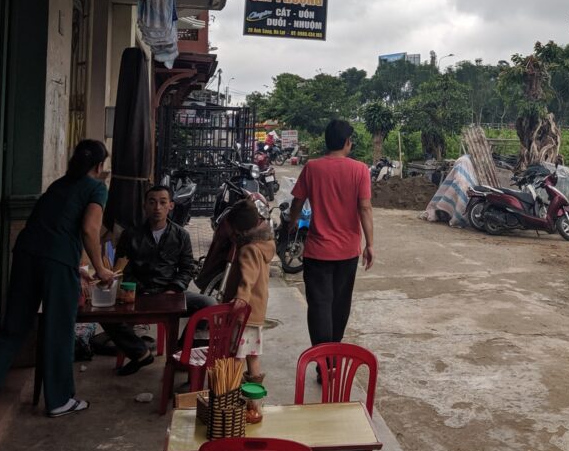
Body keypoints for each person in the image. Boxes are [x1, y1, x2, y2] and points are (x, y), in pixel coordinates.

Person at [0, 140, 115, 417]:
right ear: (99, 166)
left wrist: (76, 267)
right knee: (59, 329)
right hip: (57, 262)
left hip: (26, 255)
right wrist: (100, 269)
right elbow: (89, 229)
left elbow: (52, 225)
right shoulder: (96, 187)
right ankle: (59, 400)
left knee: (13, 326)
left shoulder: (58, 185)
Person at [289, 120, 373, 380]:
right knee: (339, 305)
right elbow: (365, 208)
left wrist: (291, 225)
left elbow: (297, 202)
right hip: (347, 252)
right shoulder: (360, 169)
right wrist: (370, 244)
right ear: (347, 142)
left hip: (317, 251)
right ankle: (332, 360)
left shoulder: (312, 168)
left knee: (319, 306)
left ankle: (323, 363)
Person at [103, 185, 215, 375]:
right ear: (145, 206)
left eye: (163, 202)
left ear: (171, 205)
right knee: (104, 312)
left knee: (209, 304)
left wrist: (174, 289)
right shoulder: (130, 235)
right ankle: (140, 352)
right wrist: (138, 289)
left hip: (170, 293)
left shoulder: (180, 235)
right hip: (139, 293)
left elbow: (187, 268)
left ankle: (181, 351)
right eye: (152, 202)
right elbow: (122, 269)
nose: (157, 207)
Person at [221, 199, 276, 384]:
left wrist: (241, 298)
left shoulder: (248, 249)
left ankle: (231, 390)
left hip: (244, 315)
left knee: (237, 356)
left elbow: (248, 278)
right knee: (252, 355)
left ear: (238, 229)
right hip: (256, 313)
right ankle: (254, 394)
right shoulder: (263, 244)